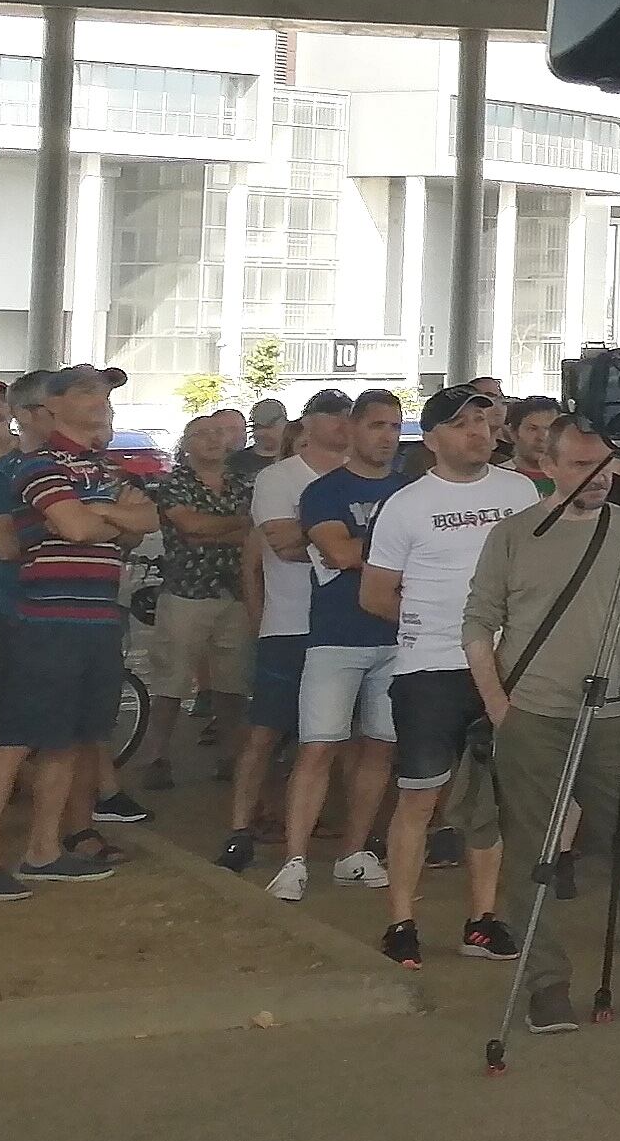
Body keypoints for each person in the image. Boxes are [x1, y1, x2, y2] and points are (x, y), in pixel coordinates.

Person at [461, 418, 620, 1024]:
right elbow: (478, 623)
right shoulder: (515, 534)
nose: (596, 478)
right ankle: (546, 984)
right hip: (533, 713)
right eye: (580, 465)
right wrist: (499, 708)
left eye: (604, 464)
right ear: (548, 466)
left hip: (612, 716)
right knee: (534, 853)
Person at [0, 366, 158, 898]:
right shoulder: (37, 464)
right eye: (88, 392)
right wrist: (108, 517)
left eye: (107, 395)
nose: (101, 403)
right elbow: (79, 527)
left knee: (70, 740)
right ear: (52, 406)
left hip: (94, 617)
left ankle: (44, 850)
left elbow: (149, 519)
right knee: (14, 738)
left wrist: (98, 514)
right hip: (41, 619)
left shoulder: (102, 466)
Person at [356, 387, 536, 963]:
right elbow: (376, 595)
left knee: (491, 800)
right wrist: (438, 628)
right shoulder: (405, 505)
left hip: (509, 668)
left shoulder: (520, 490)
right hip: (430, 669)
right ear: (432, 438)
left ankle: (482, 919)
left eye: (484, 421)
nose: (478, 432)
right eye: (461, 424)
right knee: (420, 798)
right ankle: (402, 921)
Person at [272, 387, 409, 905]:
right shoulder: (325, 491)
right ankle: (294, 858)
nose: (388, 437)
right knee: (318, 748)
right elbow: (338, 551)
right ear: (351, 430)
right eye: (378, 425)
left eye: (396, 427)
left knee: (380, 747)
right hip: (336, 636)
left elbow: (358, 551)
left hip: (397, 636)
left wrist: (373, 549)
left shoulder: (410, 489)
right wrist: (401, 545)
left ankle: (354, 852)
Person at [225, 388, 351, 870]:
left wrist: (331, 540)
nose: (342, 423)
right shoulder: (279, 478)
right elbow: (282, 545)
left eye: (348, 415)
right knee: (266, 732)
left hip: (347, 622)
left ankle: (334, 829)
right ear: (307, 423)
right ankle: (239, 827)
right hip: (291, 622)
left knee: (343, 737)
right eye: (332, 414)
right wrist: (348, 544)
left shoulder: (365, 478)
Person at [129, 406, 257, 796]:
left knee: (232, 685)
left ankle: (231, 758)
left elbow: (247, 531)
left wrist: (214, 532)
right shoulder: (174, 483)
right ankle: (155, 758)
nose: (215, 440)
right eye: (204, 434)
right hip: (186, 593)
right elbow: (191, 527)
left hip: (234, 593)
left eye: (220, 433)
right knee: (171, 682)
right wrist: (236, 527)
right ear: (186, 445)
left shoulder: (241, 483)